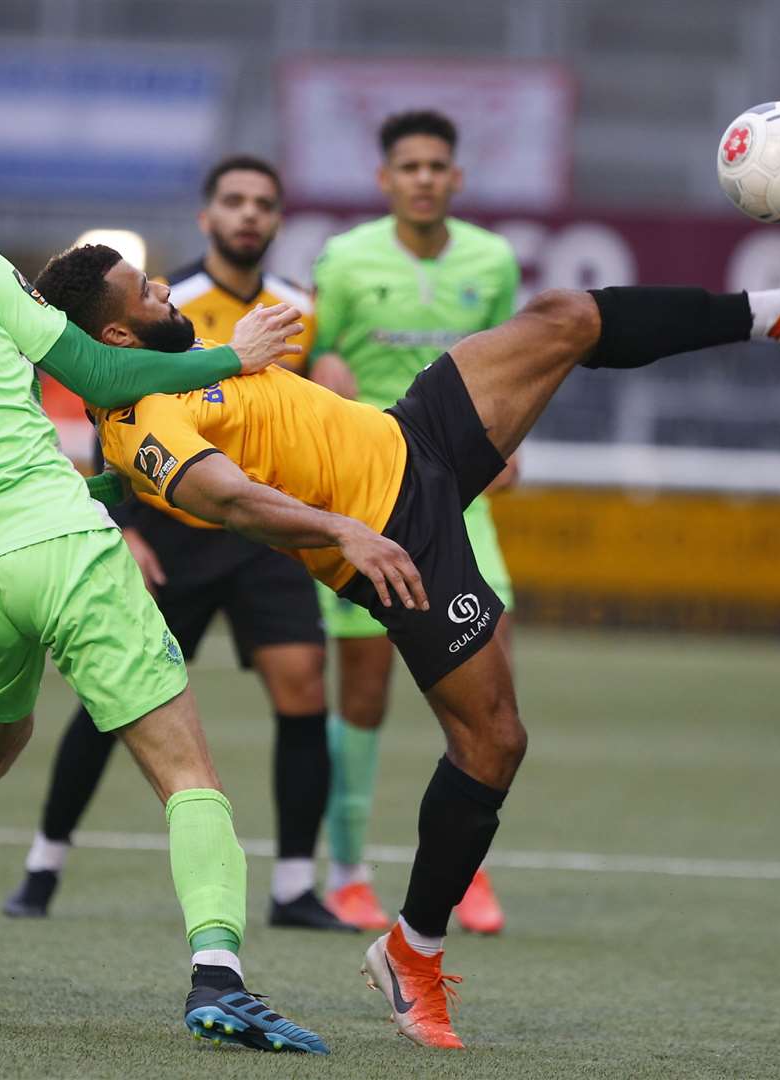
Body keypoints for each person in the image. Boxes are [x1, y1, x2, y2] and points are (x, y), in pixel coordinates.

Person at [35, 232, 780, 1048]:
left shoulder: (178, 366)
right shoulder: (139, 420)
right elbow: (222, 496)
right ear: (115, 330)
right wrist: (341, 534)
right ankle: (411, 951)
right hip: (391, 536)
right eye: (145, 290)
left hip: (409, 435)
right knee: (493, 741)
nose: (164, 286)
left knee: (567, 318)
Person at [0, 142, 421, 1053]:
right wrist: (227, 358)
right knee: (185, 772)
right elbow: (104, 377)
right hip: (61, 547)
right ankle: (219, 979)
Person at [4, 156, 350, 931]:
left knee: (303, 689)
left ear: (277, 218)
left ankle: (295, 885)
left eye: (263, 202)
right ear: (207, 217)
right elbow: (112, 411)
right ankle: (43, 863)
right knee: (113, 701)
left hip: (260, 527)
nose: (248, 214)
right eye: (233, 201)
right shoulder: (163, 301)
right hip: (172, 528)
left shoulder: (299, 307)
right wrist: (123, 526)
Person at [308, 111, 519, 933]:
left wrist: (512, 441)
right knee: (361, 691)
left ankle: (468, 874)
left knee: (490, 694)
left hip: (463, 497)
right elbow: (309, 361)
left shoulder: (491, 261)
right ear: (385, 180)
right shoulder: (346, 259)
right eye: (410, 166)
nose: (425, 177)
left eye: (438, 164)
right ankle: (347, 871)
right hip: (366, 497)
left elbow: (505, 361)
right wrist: (322, 370)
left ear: (455, 178)